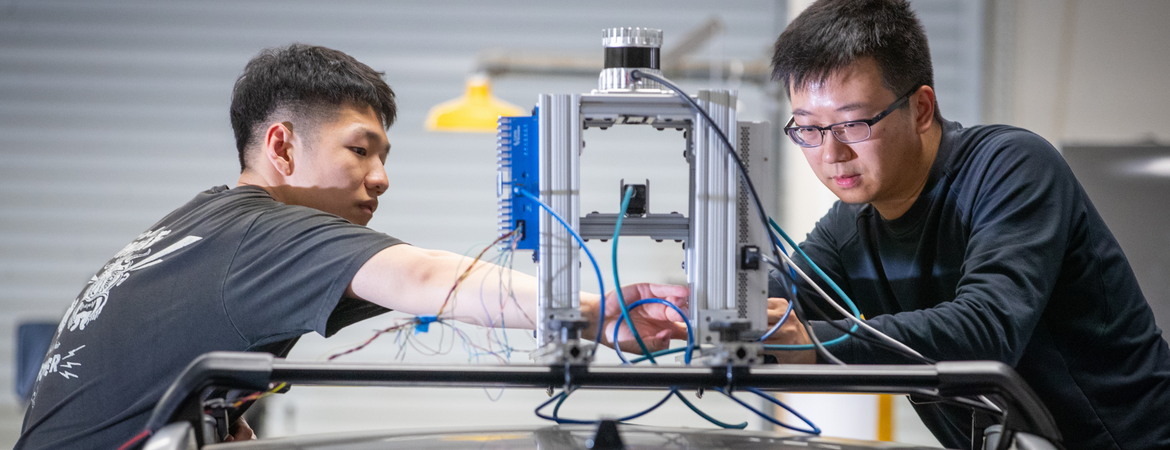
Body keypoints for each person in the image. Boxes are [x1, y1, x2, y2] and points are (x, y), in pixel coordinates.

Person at [16, 44, 689, 450]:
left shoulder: (195, 226)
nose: (381, 177)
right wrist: (595, 311)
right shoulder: (263, 234)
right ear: (282, 146)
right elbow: (425, 276)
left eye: (384, 155)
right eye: (359, 150)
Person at [760, 1, 1170, 449]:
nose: (831, 154)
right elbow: (775, 296)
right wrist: (687, 312)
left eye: (852, 124)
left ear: (920, 108)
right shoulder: (849, 227)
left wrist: (814, 344)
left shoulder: (1012, 169)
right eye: (808, 129)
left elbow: (986, 331)